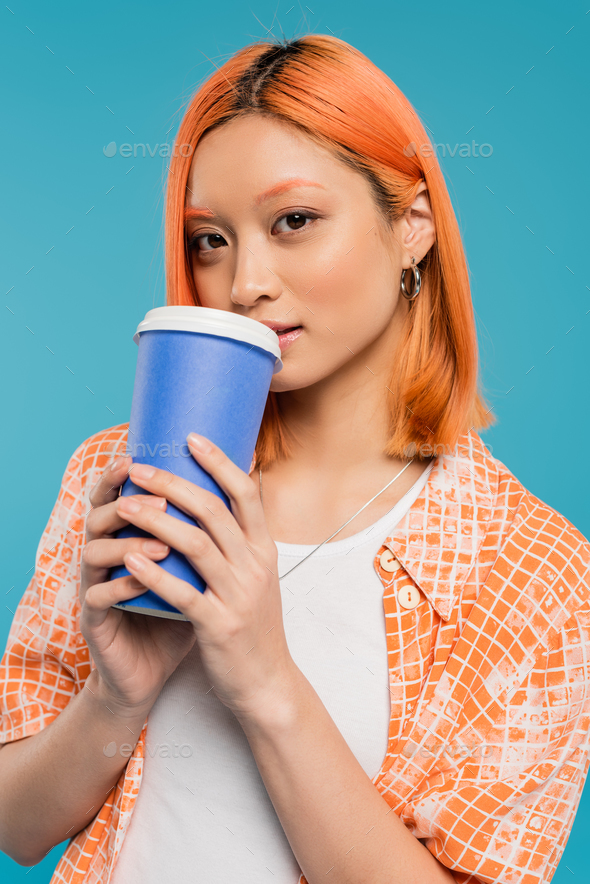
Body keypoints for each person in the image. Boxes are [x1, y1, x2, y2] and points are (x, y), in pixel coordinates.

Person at [1, 33, 589, 884]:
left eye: (294, 222)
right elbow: (17, 827)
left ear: (413, 227)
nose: (245, 283)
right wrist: (114, 699)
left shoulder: (532, 576)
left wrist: (267, 681)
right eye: (210, 240)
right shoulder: (125, 479)